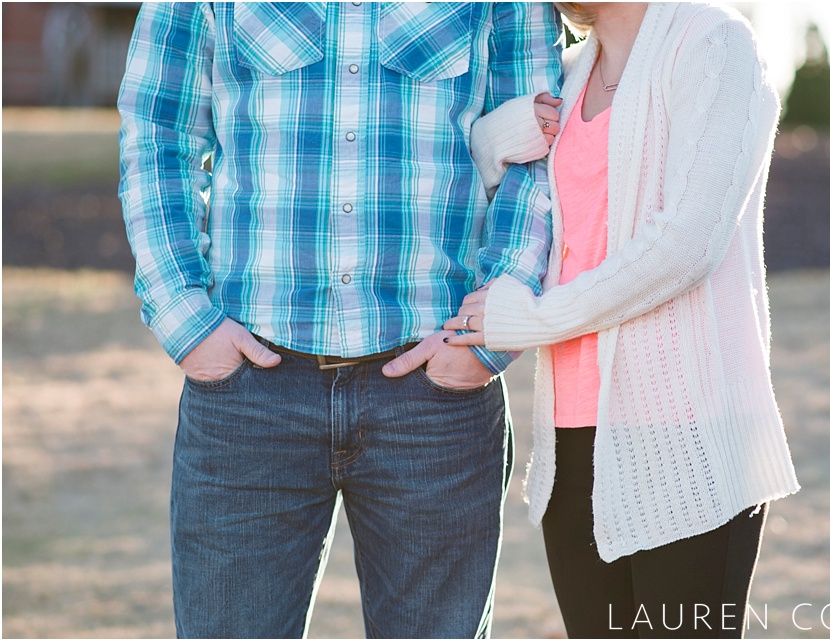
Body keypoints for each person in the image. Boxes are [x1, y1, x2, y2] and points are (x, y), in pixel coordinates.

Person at [117, 3, 562, 638]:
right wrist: (188, 320)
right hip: (249, 395)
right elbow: (157, 133)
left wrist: (486, 332)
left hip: (433, 399)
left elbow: (540, 145)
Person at [388, 2, 801, 638]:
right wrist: (492, 144)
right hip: (574, 434)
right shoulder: (574, 73)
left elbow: (686, 244)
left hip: (686, 430)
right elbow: (533, 219)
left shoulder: (714, 44)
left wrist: (534, 320)